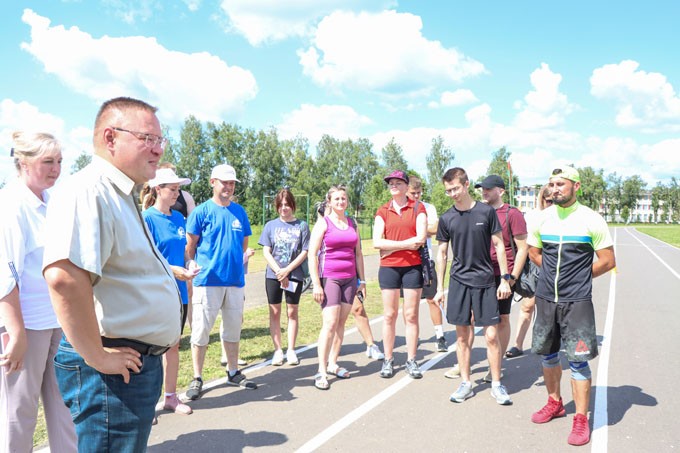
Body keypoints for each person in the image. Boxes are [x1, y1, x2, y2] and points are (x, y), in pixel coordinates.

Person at [42, 97, 183, 451]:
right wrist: (97, 356)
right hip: (109, 372)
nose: (157, 149)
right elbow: (64, 277)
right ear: (110, 138)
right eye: (147, 138)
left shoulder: (120, 194)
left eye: (160, 141)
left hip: (126, 368)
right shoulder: (90, 190)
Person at [0, 132, 77, 452]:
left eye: (59, 161)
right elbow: (5, 274)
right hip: (25, 326)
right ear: (23, 162)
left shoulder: (49, 202)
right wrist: (16, 334)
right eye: (48, 161)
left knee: (65, 410)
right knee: (18, 415)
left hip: (55, 321)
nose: (56, 169)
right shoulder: (11, 205)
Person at [528, 167, 615, 446]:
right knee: (549, 356)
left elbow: (607, 260)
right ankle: (554, 402)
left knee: (577, 362)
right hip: (545, 299)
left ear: (576, 186)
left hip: (576, 301)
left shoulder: (591, 219)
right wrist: (554, 278)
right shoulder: (543, 218)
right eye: (551, 184)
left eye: (560, 184)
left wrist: (575, 278)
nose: (554, 188)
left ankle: (580, 417)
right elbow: (533, 251)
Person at [433, 167, 513, 405]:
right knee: (462, 337)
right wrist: (440, 288)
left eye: (456, 188)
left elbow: (499, 245)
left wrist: (505, 279)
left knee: (490, 336)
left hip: (485, 281)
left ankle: (497, 384)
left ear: (466, 184)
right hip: (459, 282)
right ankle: (466, 383)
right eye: (448, 190)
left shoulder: (486, 212)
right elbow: (442, 253)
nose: (452, 194)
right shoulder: (447, 218)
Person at [185, 164, 257, 400]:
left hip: (235, 281)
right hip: (207, 281)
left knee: (233, 328)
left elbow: (243, 244)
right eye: (224, 182)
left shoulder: (240, 212)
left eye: (232, 183)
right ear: (212, 182)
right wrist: (192, 263)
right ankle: (197, 377)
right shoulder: (201, 212)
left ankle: (233, 371)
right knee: (201, 331)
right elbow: (190, 246)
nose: (229, 186)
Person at [141, 167, 199, 416]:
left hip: (179, 292)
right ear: (158, 189)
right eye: (172, 189)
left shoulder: (179, 218)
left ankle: (170, 398)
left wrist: (190, 263)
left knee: (173, 346)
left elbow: (185, 252)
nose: (177, 193)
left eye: (178, 189)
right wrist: (175, 270)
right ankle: (146, 404)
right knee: (150, 350)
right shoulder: (147, 219)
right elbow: (146, 259)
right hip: (156, 293)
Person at [308, 186, 365, 390]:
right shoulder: (323, 223)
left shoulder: (352, 223)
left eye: (343, 198)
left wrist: (362, 281)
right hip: (329, 278)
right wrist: (316, 283)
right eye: (337, 199)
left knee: (341, 322)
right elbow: (312, 254)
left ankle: (333, 364)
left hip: (350, 279)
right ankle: (321, 370)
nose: (341, 201)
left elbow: (358, 254)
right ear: (329, 202)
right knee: (330, 323)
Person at [473, 174, 529, 380]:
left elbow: (522, 248)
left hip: (503, 274)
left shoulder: (512, 214)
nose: (484, 192)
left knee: (501, 319)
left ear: (501, 191)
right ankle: (463, 362)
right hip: (479, 273)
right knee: (470, 319)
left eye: (488, 188)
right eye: (482, 189)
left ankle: (496, 365)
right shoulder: (478, 211)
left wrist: (512, 277)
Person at [373, 170, 427, 379]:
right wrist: (406, 245)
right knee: (389, 315)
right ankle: (388, 359)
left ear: (406, 186)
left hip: (413, 267)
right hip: (389, 267)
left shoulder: (417, 207)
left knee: (411, 315)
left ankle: (411, 360)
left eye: (398, 182)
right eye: (391, 183)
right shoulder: (383, 210)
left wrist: (391, 246)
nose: (393, 185)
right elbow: (377, 242)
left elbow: (420, 239)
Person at [259, 188, 310, 366]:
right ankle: (278, 350)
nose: (283, 208)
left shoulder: (302, 225)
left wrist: (287, 270)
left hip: (294, 274)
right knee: (274, 312)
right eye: (280, 205)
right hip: (273, 275)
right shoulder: (270, 226)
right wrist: (279, 271)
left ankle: (291, 350)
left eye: (287, 205)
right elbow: (266, 250)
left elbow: (305, 251)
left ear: (293, 205)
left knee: (292, 312)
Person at [506, 184, 552, 358]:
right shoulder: (532, 216)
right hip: (534, 262)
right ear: (542, 199)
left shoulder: (563, 218)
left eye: (554, 201)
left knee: (550, 307)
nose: (551, 204)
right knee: (528, 305)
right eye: (548, 201)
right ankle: (518, 344)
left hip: (554, 264)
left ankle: (548, 341)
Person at [406, 176, 447, 352]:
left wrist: (416, 230)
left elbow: (435, 228)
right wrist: (422, 230)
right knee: (409, 303)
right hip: (407, 260)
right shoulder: (402, 208)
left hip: (426, 260)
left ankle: (440, 336)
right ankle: (412, 337)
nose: (416, 196)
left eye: (418, 193)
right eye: (412, 193)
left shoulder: (428, 208)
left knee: (432, 300)